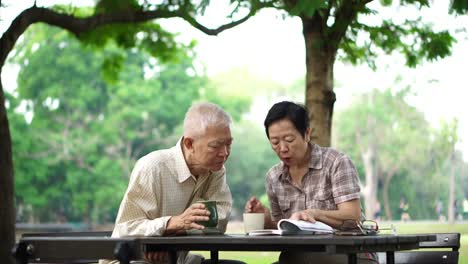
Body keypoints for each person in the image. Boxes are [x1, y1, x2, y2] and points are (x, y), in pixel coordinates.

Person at [100, 102, 238, 264]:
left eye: (229, 144)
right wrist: (171, 224)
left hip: (176, 259)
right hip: (134, 260)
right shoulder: (153, 167)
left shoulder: (216, 170)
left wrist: (172, 234)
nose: (224, 153)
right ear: (189, 144)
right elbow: (126, 229)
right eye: (215, 146)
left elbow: (219, 221)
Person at [244, 101, 377, 264]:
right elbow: (284, 229)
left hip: (350, 254)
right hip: (297, 257)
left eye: (289, 139)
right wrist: (266, 220)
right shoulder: (273, 177)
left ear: (307, 134)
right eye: (275, 142)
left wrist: (315, 214)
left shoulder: (336, 162)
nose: (283, 148)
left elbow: (353, 217)